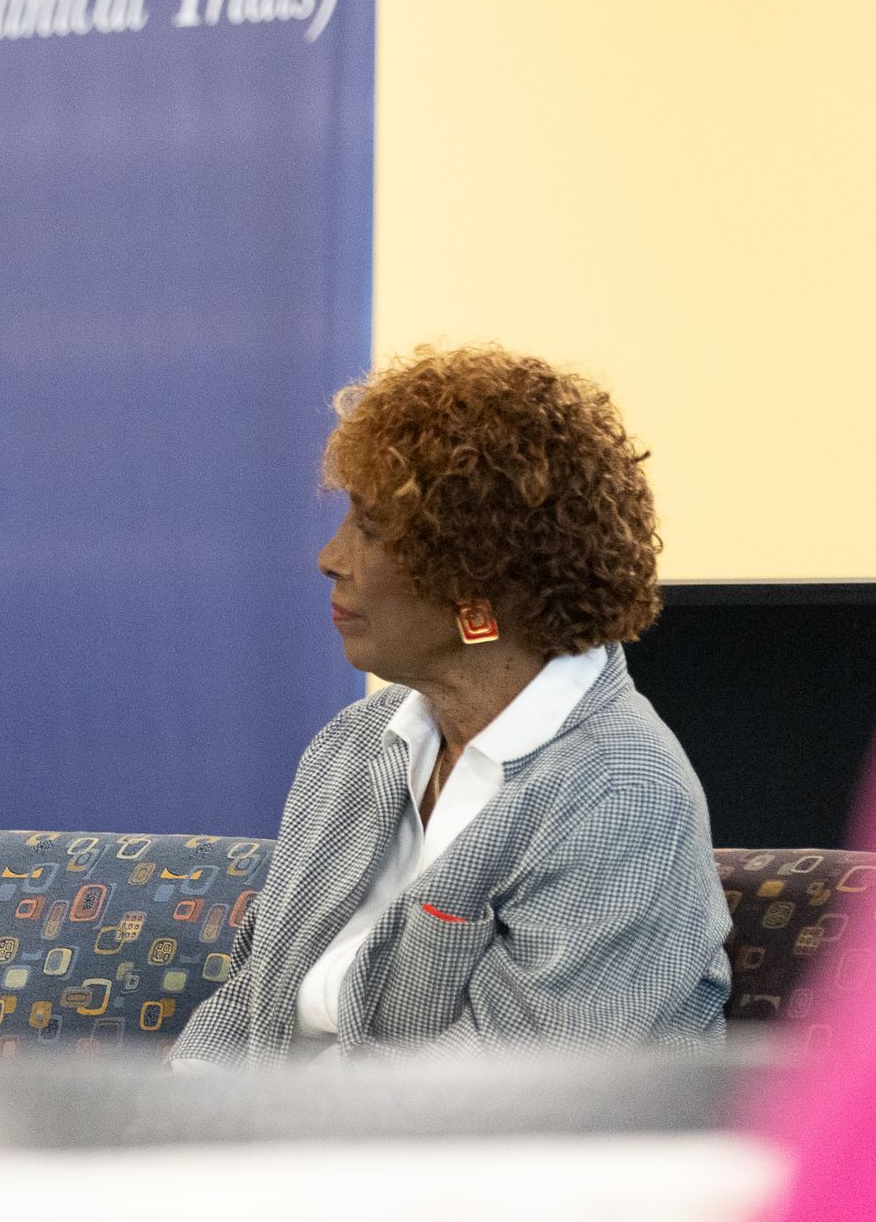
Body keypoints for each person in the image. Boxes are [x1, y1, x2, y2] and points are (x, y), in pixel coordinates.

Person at [171, 345, 731, 1066]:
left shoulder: (620, 796)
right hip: (281, 1159)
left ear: (475, 574)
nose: (332, 558)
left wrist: (254, 1155)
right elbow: (251, 1002)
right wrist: (161, 1139)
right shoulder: (356, 745)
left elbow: (504, 1105)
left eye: (369, 528)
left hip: (456, 1170)